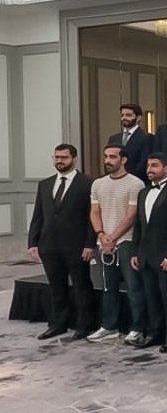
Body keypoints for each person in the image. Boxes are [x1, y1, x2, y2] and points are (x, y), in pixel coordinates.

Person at [28, 144, 95, 340]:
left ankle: (85, 324)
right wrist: (33, 242)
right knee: (56, 287)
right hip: (49, 246)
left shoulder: (87, 183)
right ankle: (58, 324)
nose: (60, 161)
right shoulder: (45, 184)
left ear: (74, 159)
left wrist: (90, 244)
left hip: (77, 246)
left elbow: (93, 217)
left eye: (64, 158)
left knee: (82, 287)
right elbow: (38, 216)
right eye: (57, 157)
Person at [87, 144, 146, 345]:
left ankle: (137, 328)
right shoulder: (97, 184)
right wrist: (101, 235)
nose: (107, 160)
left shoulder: (135, 184)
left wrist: (112, 238)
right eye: (105, 156)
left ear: (123, 160)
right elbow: (94, 212)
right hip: (103, 243)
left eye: (112, 157)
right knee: (108, 288)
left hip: (126, 242)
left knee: (133, 288)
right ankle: (109, 326)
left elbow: (131, 217)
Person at [130, 153, 167, 353]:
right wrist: (135, 251)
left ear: (166, 168)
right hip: (145, 256)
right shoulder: (143, 192)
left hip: (166, 257)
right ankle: (155, 333)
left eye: (154, 165)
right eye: (148, 166)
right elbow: (138, 225)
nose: (149, 169)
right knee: (151, 298)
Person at [108, 103, 152, 182]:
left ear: (138, 118)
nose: (124, 118)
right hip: (114, 182)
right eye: (122, 115)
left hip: (137, 182)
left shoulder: (146, 138)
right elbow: (109, 160)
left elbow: (143, 164)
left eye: (128, 115)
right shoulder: (113, 138)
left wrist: (126, 179)